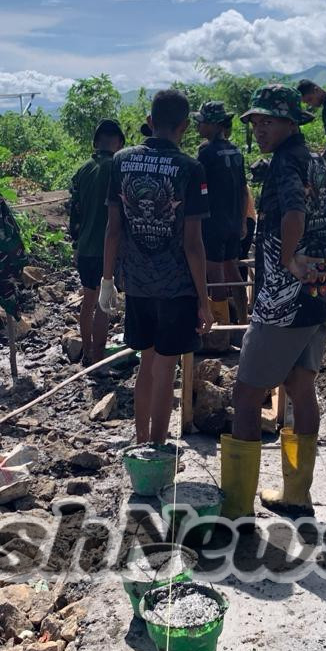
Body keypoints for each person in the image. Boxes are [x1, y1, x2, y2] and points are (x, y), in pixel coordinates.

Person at [222, 84, 326, 519]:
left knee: (245, 396)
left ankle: (236, 508)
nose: (259, 128)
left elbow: (293, 213)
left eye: (268, 121)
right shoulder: (318, 161)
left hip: (283, 302)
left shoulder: (284, 164)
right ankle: (296, 494)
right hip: (318, 295)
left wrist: (291, 259)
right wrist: (317, 250)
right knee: (300, 388)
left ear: (290, 123)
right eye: (255, 121)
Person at [101, 90, 213, 446]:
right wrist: (204, 299)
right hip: (176, 286)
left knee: (145, 364)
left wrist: (107, 280)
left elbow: (113, 228)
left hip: (136, 284)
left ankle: (139, 441)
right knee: (167, 367)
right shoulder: (190, 169)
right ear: (184, 126)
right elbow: (193, 244)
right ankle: (158, 447)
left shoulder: (120, 161)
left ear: (150, 122)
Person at [67, 119, 125, 365]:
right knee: (104, 304)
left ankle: (88, 352)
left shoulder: (82, 171)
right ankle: (99, 359)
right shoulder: (120, 168)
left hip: (86, 248)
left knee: (88, 300)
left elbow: (75, 214)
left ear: (95, 142)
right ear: (120, 143)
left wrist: (76, 244)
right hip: (109, 250)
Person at [191, 101, 248, 341]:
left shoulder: (207, 153)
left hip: (213, 222)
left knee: (215, 275)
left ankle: (221, 332)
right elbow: (244, 189)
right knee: (232, 269)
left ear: (213, 125)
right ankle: (244, 322)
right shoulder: (235, 151)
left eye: (201, 122)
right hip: (234, 221)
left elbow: (198, 188)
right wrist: (243, 221)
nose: (198, 125)